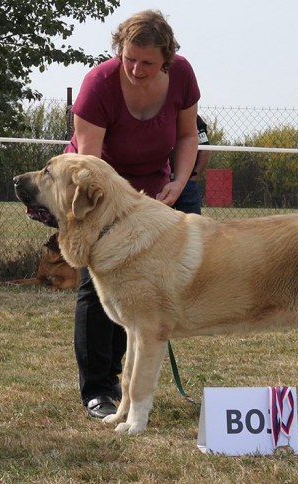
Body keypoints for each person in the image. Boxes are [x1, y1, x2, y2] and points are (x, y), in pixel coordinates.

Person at [64, 9, 201, 418]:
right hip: (100, 191)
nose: (137, 70)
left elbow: (188, 134)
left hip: (160, 187)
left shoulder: (183, 76)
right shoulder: (98, 85)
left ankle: (133, 387)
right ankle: (97, 391)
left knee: (151, 289)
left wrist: (180, 181)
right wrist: (127, 211)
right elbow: (90, 171)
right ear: (119, 50)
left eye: (148, 63)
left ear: (167, 60)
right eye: (129, 59)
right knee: (100, 283)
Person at [171, 115, 212, 214]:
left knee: (193, 225)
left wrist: (193, 178)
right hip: (161, 182)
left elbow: (206, 151)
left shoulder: (194, 118)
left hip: (187, 184)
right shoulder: (157, 114)